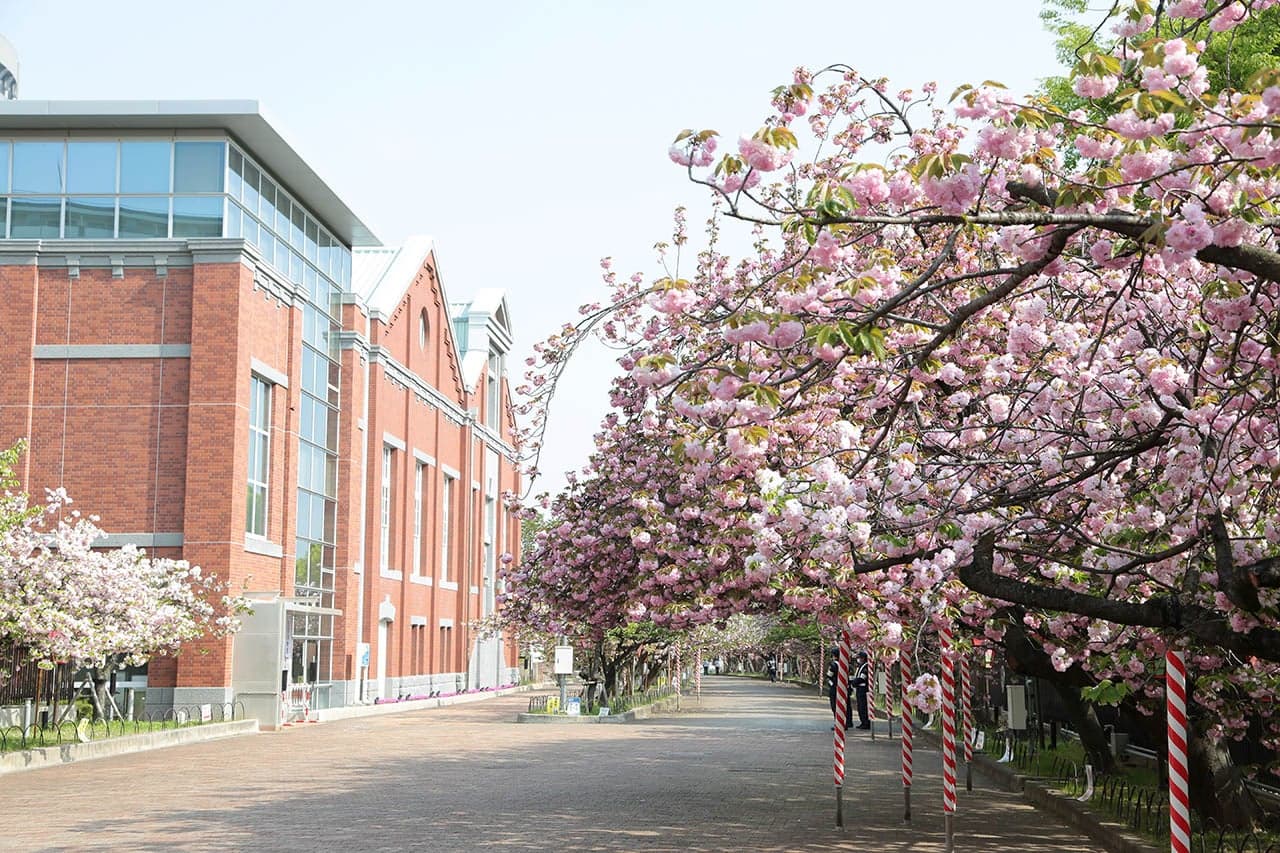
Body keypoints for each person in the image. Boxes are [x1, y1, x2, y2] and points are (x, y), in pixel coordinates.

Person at [826, 656, 853, 730]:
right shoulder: (848, 665)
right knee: (846, 706)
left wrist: (832, 685)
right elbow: (851, 678)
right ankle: (847, 722)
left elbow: (829, 676)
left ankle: (838, 723)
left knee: (835, 706)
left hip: (835, 689)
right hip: (846, 688)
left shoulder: (833, 665)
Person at [852, 651, 871, 729]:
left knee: (863, 706)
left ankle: (865, 722)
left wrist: (853, 682)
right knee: (860, 706)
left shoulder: (866, 667)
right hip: (859, 689)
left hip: (863, 689)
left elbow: (862, 678)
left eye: (859, 658)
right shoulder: (861, 666)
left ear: (863, 658)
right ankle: (863, 722)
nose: (858, 659)